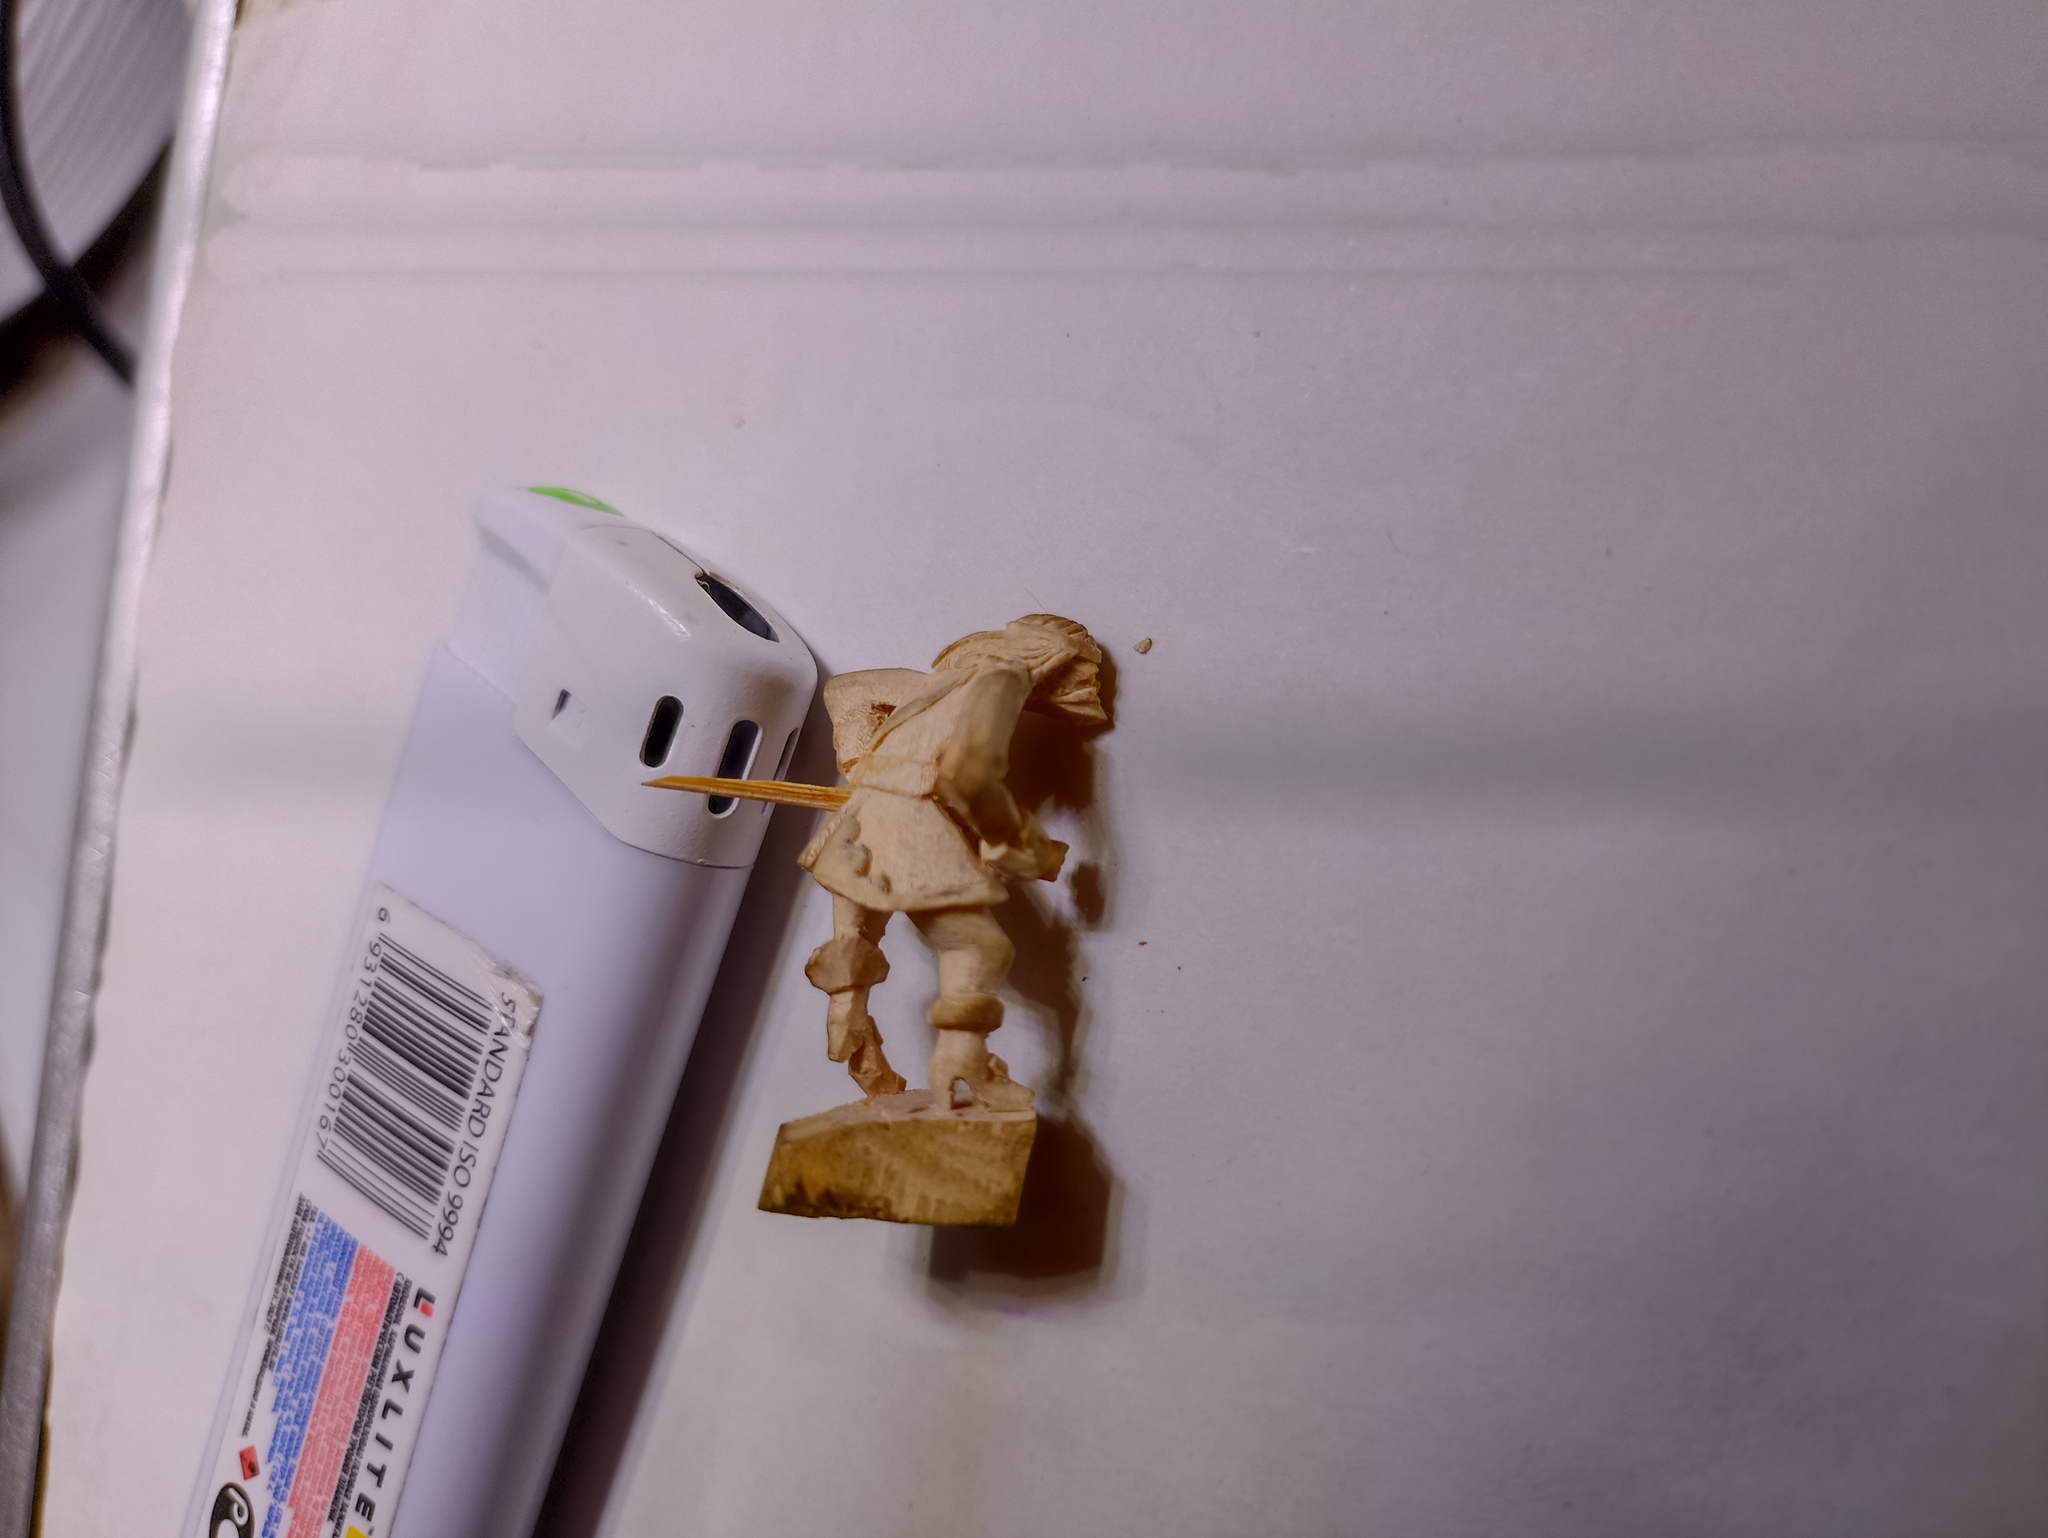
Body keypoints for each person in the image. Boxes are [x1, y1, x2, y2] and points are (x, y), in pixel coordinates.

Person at [798, 614, 1106, 1109]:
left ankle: (852, 1026)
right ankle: (962, 1060)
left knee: (857, 935)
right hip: (907, 823)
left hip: (859, 819)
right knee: (980, 948)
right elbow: (967, 775)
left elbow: (848, 689)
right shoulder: (1006, 676)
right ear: (1053, 659)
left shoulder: (941, 683)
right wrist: (1012, 840)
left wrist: (863, 764)